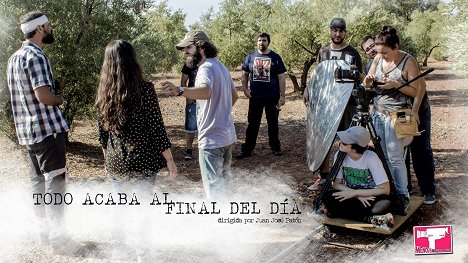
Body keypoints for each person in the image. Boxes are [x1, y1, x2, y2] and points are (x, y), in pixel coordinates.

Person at [6, 10, 83, 255]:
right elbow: (44, 96)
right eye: (48, 25)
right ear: (39, 29)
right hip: (48, 131)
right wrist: (59, 98)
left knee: (38, 185)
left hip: (28, 134)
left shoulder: (14, 58)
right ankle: (60, 242)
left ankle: (45, 236)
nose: (50, 29)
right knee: (56, 184)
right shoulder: (36, 56)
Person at [96, 40, 177, 261]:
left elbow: (102, 133)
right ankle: (143, 256)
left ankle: (118, 252)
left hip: (115, 160)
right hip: (141, 159)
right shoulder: (145, 89)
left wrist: (106, 159)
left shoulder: (104, 92)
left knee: (119, 207)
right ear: (132, 60)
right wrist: (169, 159)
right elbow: (156, 127)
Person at [361, 36, 436, 205]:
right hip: (384, 113)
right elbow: (368, 84)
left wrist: (415, 110)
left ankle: (427, 190)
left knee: (419, 149)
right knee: (395, 154)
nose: (374, 51)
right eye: (369, 50)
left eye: (374, 46)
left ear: (393, 47)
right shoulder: (377, 59)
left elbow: (420, 88)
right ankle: (403, 189)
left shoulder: (407, 61)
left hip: (411, 109)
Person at [162, 31, 238, 199]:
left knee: (214, 190)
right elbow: (234, 96)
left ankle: (220, 221)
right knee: (225, 183)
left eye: (188, 47)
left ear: (201, 47)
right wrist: (219, 112)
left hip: (211, 140)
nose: (185, 52)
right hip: (227, 136)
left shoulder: (205, 68)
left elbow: (205, 91)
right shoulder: (220, 66)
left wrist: (179, 90)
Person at [305, 18, 364, 190]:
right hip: (326, 104)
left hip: (347, 104)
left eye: (341, 31)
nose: (337, 34)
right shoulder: (323, 52)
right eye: (334, 30)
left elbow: (359, 78)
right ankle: (323, 178)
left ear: (345, 32)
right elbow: (318, 75)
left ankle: (347, 177)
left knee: (348, 140)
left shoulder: (352, 53)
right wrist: (308, 89)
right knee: (323, 140)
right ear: (330, 31)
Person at [322, 126, 394, 229]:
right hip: (352, 195)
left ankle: (338, 212)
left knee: (384, 204)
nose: (340, 143)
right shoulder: (340, 155)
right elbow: (337, 184)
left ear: (355, 149)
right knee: (327, 196)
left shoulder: (371, 158)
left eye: (344, 143)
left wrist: (356, 193)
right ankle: (371, 219)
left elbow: (385, 189)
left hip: (371, 196)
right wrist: (355, 194)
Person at [235, 32, 287, 158]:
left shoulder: (275, 57)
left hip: (272, 97)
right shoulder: (250, 56)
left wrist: (283, 95)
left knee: (273, 124)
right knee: (252, 124)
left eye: (264, 40)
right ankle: (247, 149)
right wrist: (245, 90)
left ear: (268, 42)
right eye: (259, 40)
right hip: (255, 97)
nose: (261, 42)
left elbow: (281, 77)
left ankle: (276, 147)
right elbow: (245, 74)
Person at [180, 63, 198, 160]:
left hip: (207, 99)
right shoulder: (189, 63)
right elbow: (183, 81)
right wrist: (188, 96)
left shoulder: (209, 62)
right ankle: (189, 149)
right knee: (191, 125)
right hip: (192, 99)